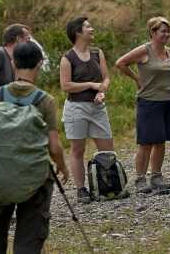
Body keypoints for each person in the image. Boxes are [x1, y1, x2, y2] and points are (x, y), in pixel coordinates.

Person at [0, 41, 69, 254]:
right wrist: (63, 167)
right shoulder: (45, 101)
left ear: (13, 62)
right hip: (33, 181)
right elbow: (54, 147)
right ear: (40, 64)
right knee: (28, 242)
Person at [115, 17, 170, 193]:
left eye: (168, 31)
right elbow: (120, 63)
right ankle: (140, 179)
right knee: (146, 142)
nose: (166, 34)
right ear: (152, 32)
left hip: (168, 100)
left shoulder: (168, 51)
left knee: (160, 141)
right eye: (162, 31)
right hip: (149, 101)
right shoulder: (144, 50)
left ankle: (157, 176)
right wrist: (137, 79)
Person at [60, 16, 114, 203]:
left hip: (98, 108)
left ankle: (108, 186)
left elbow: (106, 78)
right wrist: (91, 85)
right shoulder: (68, 58)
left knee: (107, 149)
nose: (92, 29)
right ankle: (81, 189)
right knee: (77, 149)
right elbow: (66, 86)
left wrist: (101, 91)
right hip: (76, 108)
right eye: (88, 27)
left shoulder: (97, 53)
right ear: (78, 33)